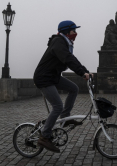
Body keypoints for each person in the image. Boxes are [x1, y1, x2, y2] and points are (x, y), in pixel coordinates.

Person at [33, 20, 91, 153]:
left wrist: (86, 71)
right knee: (57, 106)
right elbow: (68, 59)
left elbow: (72, 59)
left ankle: (65, 118)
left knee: (74, 88)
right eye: (74, 31)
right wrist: (82, 73)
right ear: (66, 31)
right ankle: (44, 136)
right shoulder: (58, 42)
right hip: (44, 78)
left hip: (53, 76)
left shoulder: (66, 43)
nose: (76, 33)